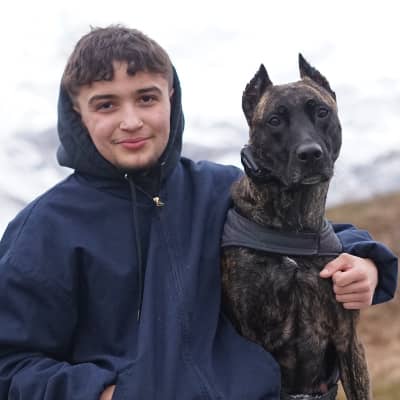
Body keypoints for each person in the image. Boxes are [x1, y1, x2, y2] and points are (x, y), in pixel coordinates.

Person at [0, 25, 397, 400]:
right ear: (76, 113)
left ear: (171, 97)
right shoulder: (44, 230)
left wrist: (365, 262)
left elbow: (309, 235)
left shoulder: (219, 189)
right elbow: (10, 363)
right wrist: (100, 393)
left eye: (146, 98)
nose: (131, 121)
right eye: (106, 105)